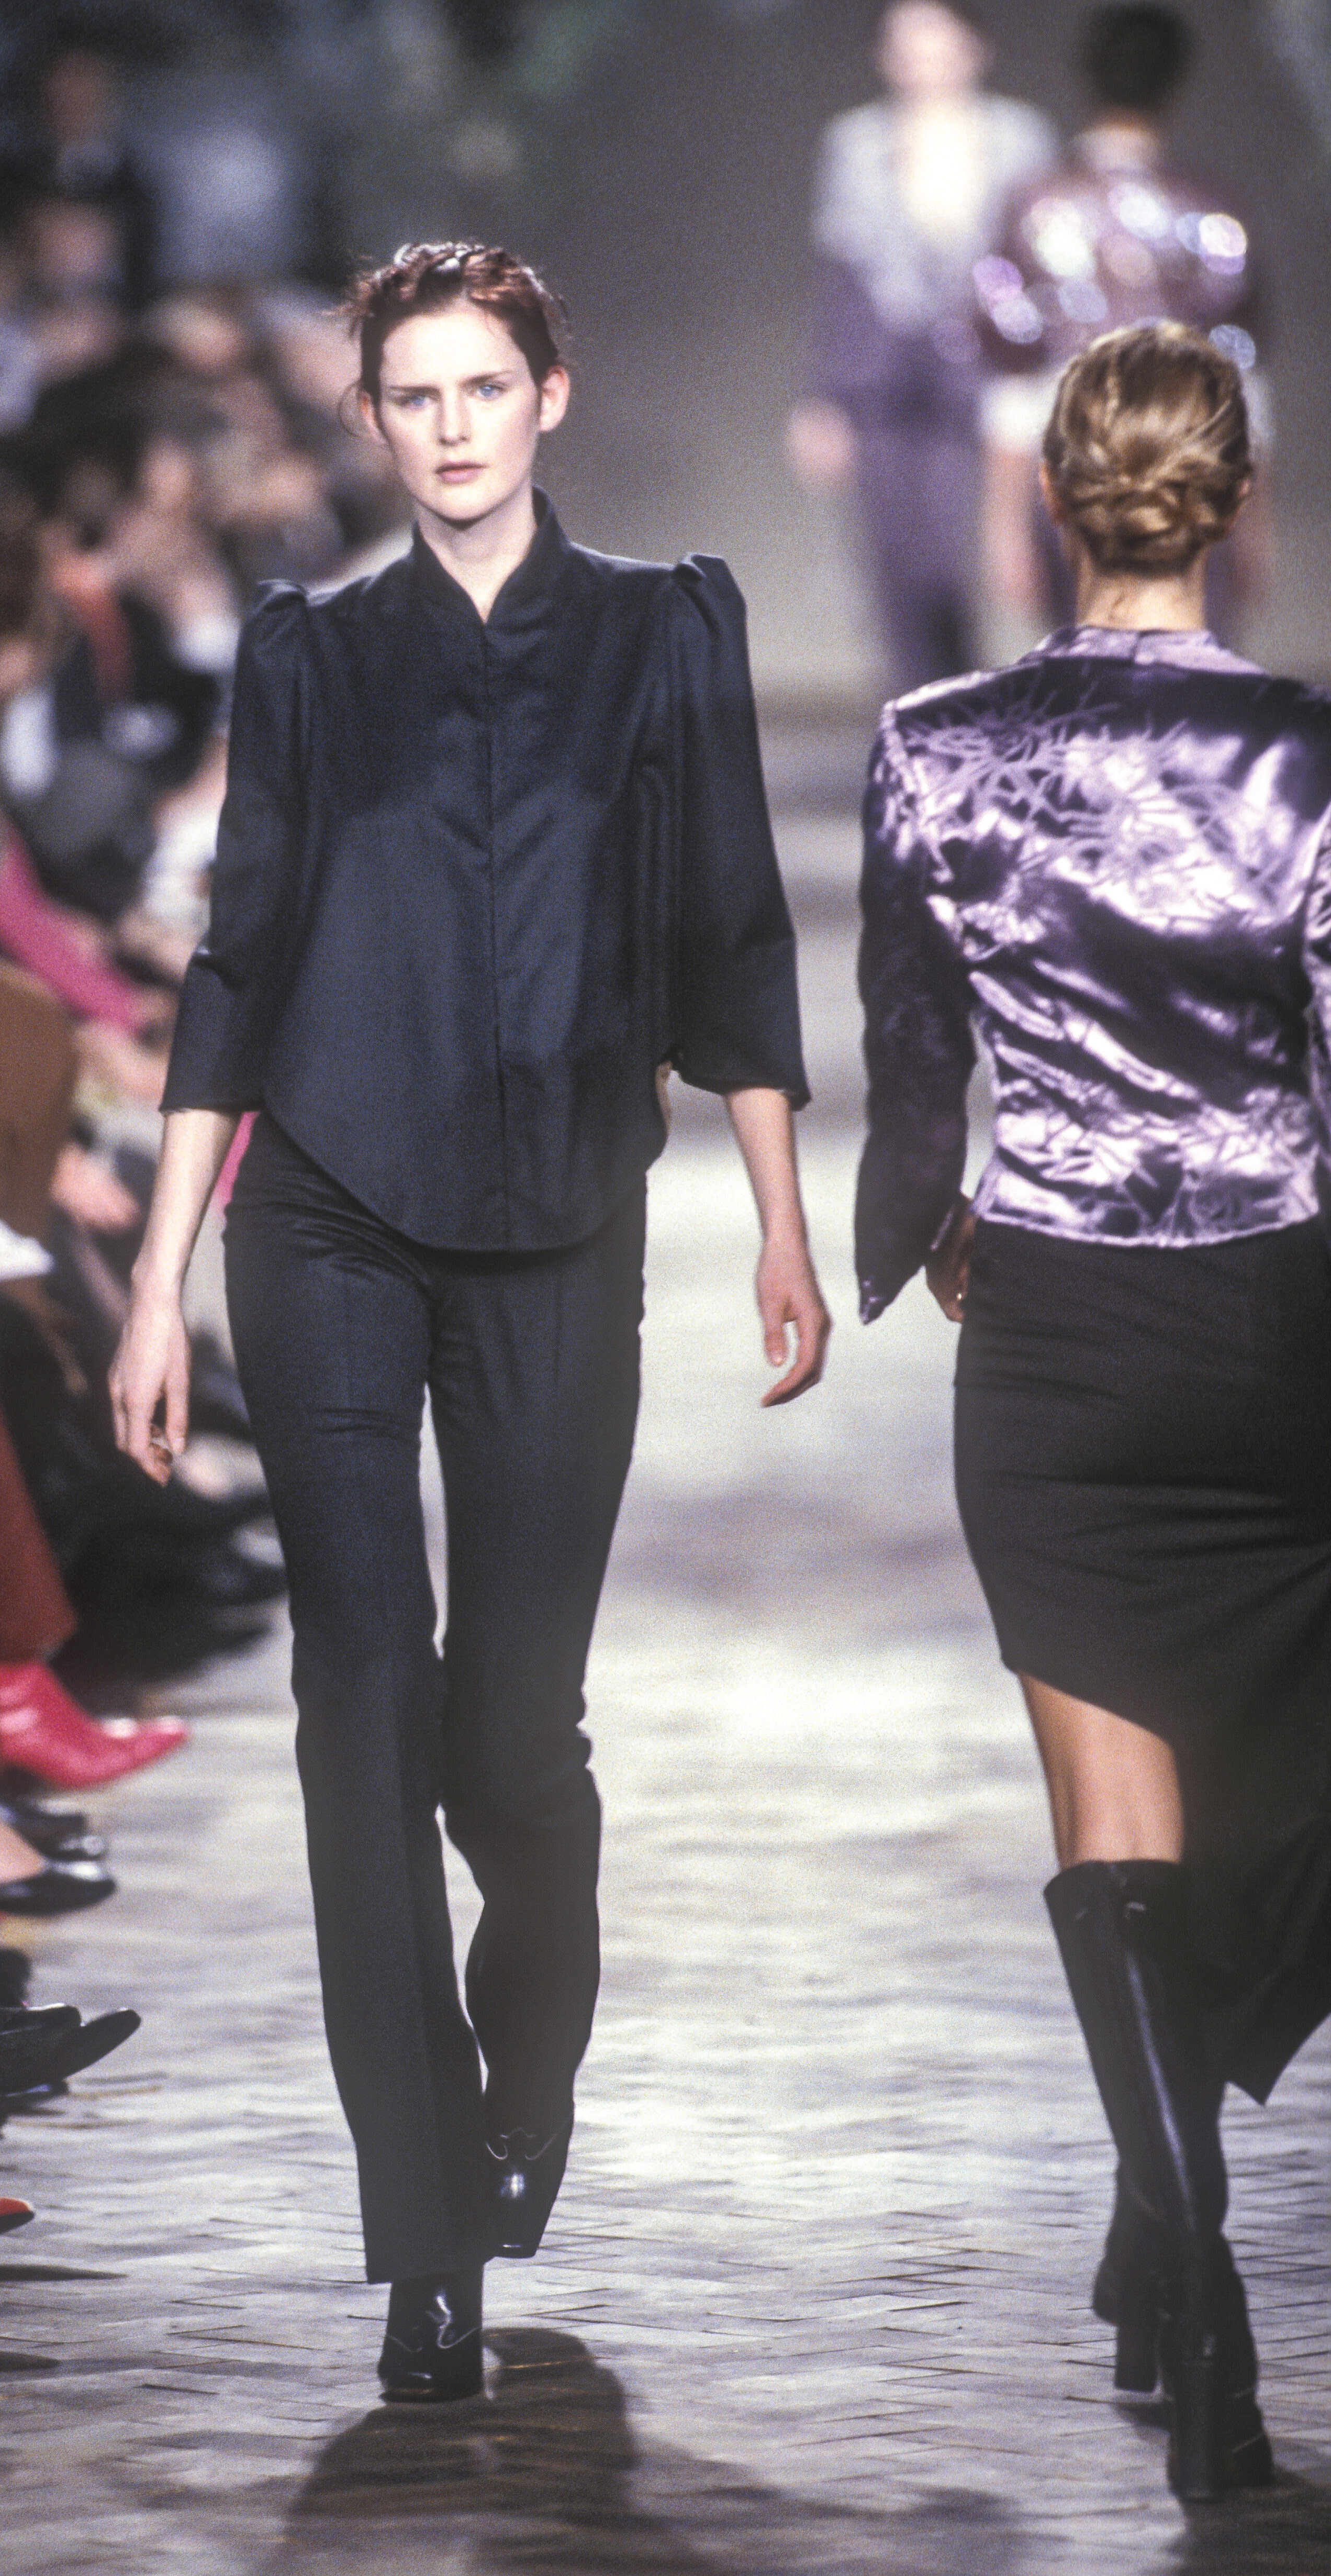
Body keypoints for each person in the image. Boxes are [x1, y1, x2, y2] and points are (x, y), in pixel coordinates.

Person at [111, 241, 829, 2400]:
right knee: (360, 1704)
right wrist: (154, 1278)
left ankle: (534, 2050)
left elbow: (732, 933)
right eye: (411, 394)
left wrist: (781, 1223)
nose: (449, 427)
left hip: (559, 1226)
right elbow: (237, 960)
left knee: (515, 1733)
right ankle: (423, 2238)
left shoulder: (665, 630)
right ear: (370, 418)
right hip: (324, 1212)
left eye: (482, 387)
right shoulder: (308, 653)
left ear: (550, 395)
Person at [855, 321, 1331, 2502]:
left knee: (1113, 1823)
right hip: (1274, 1317)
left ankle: (1184, 2273)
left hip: (1057, 1331)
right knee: (1271, 1787)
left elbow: (913, 1065)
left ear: (1051, 496)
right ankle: (1174, 2230)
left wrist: (919, 1229)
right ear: (1234, 501)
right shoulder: (1305, 761)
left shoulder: (935, 748)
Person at [977, 4, 1267, 636]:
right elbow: (1243, 382)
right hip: (1192, 481)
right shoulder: (1210, 210)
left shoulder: (1035, 206)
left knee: (1082, 670)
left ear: (1087, 77)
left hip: (1074, 482)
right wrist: (1253, 522)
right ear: (1175, 85)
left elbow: (1013, 380)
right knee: (1196, 675)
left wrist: (1002, 526)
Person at [789, 1, 1055, 691]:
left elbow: (1038, 267)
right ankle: (916, 720)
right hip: (878, 378)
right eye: (907, 46)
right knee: (893, 570)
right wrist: (822, 400)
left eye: (939, 43)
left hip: (983, 377)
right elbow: (842, 273)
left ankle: (959, 708)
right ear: (886, 56)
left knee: (948, 564)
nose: (924, 60)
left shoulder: (1018, 136)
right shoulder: (856, 141)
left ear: (974, 48)